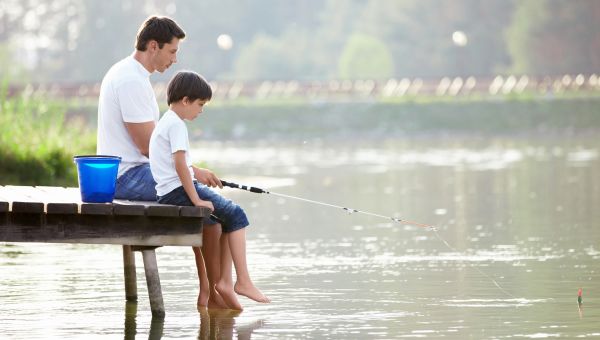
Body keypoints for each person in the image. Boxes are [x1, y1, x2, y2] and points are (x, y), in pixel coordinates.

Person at [96, 16, 228, 309]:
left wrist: (192, 173)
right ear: (153, 46)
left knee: (203, 202)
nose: (175, 59)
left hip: (131, 171)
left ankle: (210, 290)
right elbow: (148, 147)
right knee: (208, 206)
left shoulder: (129, 74)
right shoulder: (131, 80)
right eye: (172, 51)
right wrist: (193, 172)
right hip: (127, 176)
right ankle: (212, 293)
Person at [149, 70, 270, 309]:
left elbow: (179, 166)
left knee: (225, 219)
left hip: (168, 191)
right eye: (200, 104)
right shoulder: (176, 125)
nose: (201, 110)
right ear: (185, 100)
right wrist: (195, 198)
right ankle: (242, 281)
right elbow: (180, 165)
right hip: (178, 191)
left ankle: (224, 283)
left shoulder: (166, 121)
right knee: (237, 214)